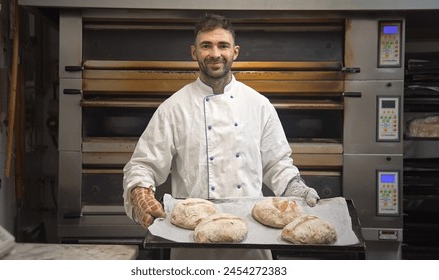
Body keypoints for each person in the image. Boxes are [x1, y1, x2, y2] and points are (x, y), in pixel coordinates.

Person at [123, 13, 320, 259]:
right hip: (191, 240)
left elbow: (277, 163)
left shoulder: (258, 104)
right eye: (206, 45)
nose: (215, 53)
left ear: (235, 52)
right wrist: (140, 192)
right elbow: (143, 164)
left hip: (251, 237)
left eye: (222, 45)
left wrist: (295, 187)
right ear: (194, 53)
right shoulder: (173, 108)